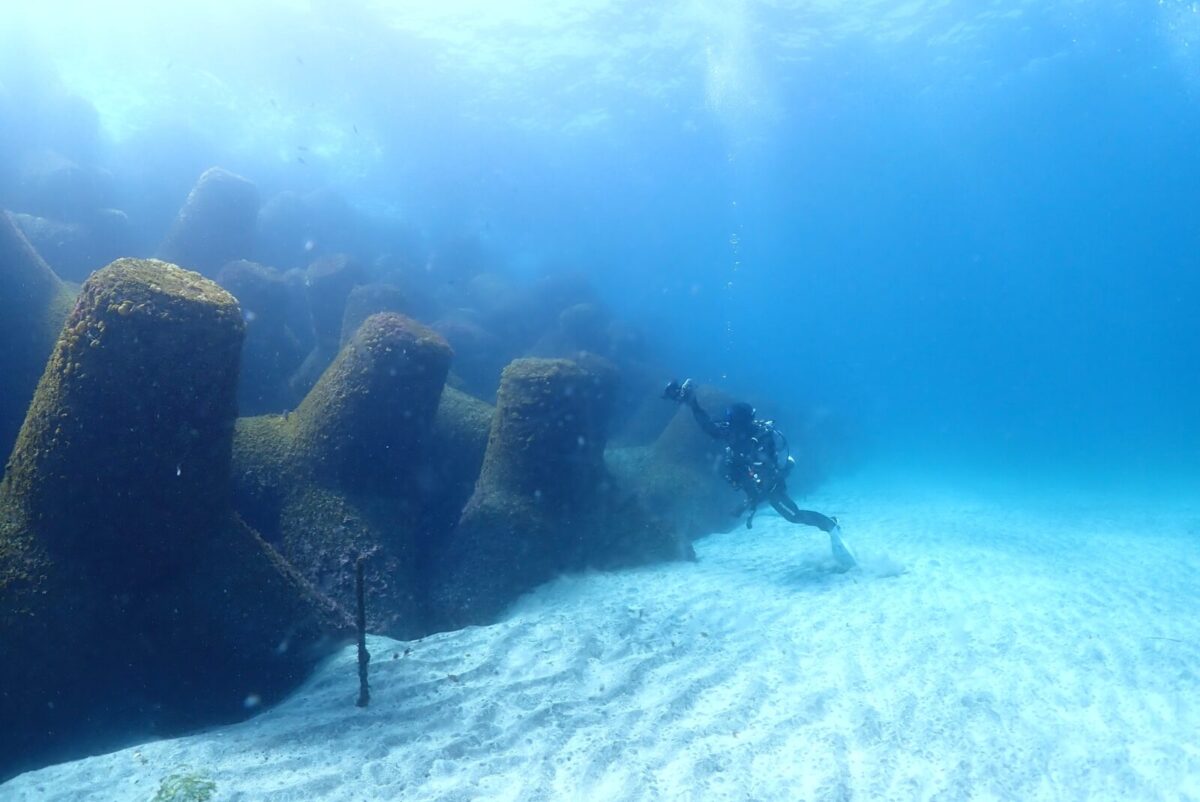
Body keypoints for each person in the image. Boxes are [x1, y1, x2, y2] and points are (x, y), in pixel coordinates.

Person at [663, 378, 857, 569]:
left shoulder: (759, 440)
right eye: (729, 419)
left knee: (794, 515)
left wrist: (746, 504)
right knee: (786, 511)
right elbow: (708, 426)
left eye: (732, 419)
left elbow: (765, 483)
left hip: (772, 484)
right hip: (756, 482)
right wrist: (692, 402)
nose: (728, 423)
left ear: (742, 422)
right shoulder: (733, 432)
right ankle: (830, 524)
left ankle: (831, 524)